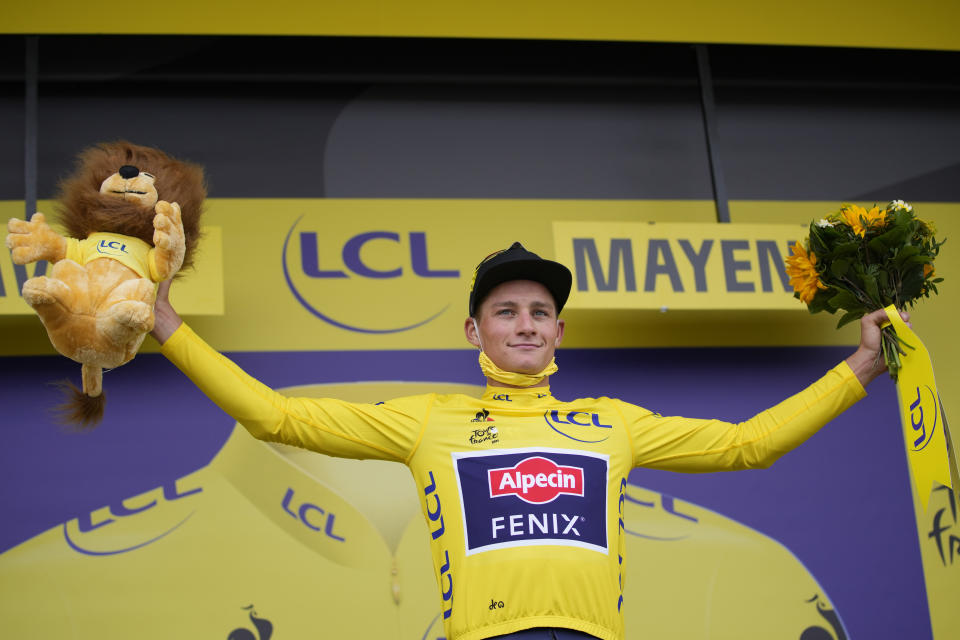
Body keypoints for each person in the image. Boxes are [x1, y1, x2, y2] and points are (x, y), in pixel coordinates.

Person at [150, 241, 902, 640]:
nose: (525, 323)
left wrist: (861, 365)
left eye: (539, 311)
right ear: (475, 331)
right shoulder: (428, 419)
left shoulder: (612, 423)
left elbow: (748, 445)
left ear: (559, 332)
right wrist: (168, 328)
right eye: (505, 310)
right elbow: (278, 418)